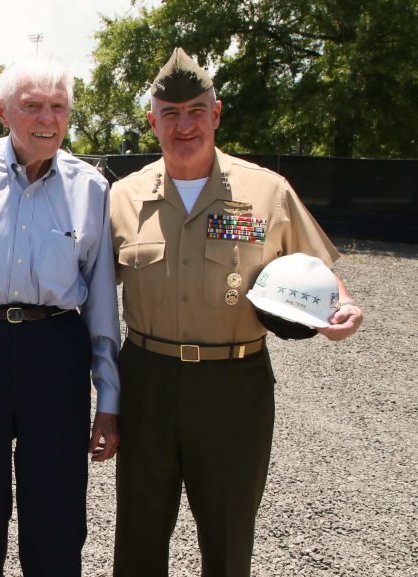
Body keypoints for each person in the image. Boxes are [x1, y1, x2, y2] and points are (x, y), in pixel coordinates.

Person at [110, 48, 364, 577]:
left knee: (228, 541)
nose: (185, 126)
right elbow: (84, 292)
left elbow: (316, 268)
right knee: (138, 535)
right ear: (152, 119)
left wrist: (340, 306)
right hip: (147, 382)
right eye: (171, 114)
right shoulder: (121, 198)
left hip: (235, 384)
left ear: (216, 113)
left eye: (196, 111)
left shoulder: (266, 192)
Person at [0, 59, 121, 577]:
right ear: (1, 111)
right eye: (32, 106)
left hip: (53, 351)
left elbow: (102, 299)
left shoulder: (90, 188)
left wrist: (108, 399)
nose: (47, 119)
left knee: (57, 510)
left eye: (58, 107)